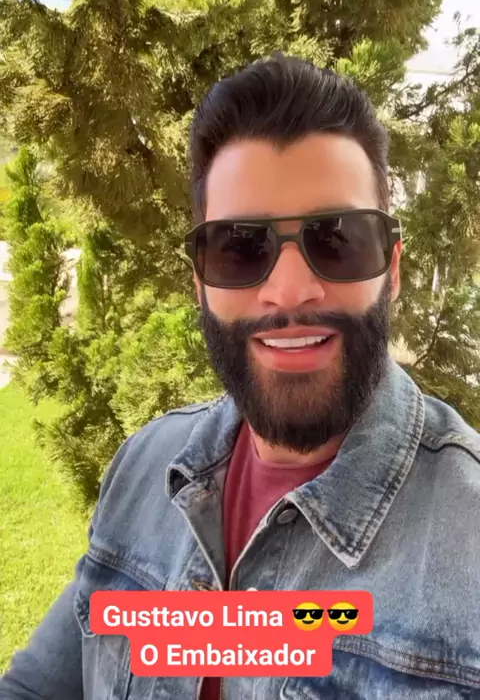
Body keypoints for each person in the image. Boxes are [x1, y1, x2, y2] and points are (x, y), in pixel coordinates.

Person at [1, 54, 480, 700]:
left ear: (391, 269)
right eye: (240, 248)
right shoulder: (145, 468)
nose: (290, 289)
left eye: (337, 239)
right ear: (199, 282)